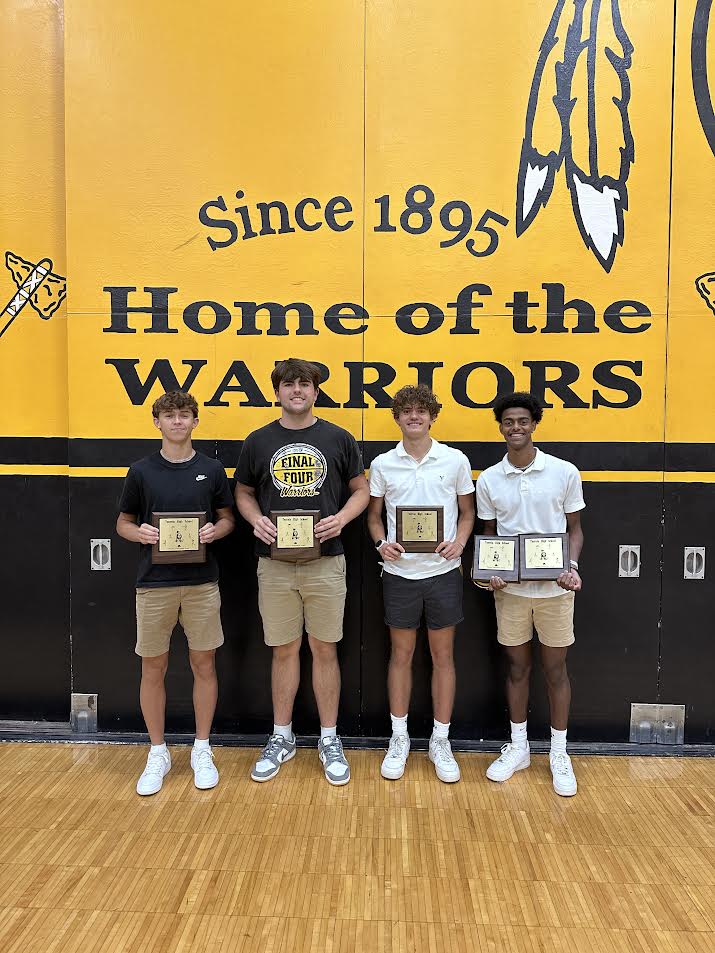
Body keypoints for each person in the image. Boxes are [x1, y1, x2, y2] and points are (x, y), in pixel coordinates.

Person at [234, 358, 369, 785]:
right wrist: (255, 518)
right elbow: (243, 490)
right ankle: (281, 736)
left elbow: (361, 489)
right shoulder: (258, 441)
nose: (297, 390)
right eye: (289, 384)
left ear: (315, 392)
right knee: (283, 650)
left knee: (325, 650)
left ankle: (329, 738)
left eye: (305, 384)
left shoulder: (339, 438)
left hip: (326, 560)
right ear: (277, 392)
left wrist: (343, 519)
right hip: (274, 564)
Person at [116, 390, 235, 796]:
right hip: (154, 584)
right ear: (157, 422)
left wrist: (216, 531)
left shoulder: (212, 469)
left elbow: (227, 520)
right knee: (153, 668)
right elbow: (123, 523)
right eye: (170, 416)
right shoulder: (141, 471)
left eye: (185, 415)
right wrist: (141, 533)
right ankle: (157, 751)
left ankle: (202, 748)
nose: (178, 422)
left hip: (202, 583)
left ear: (195, 422)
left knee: (204, 665)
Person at [475, 392, 584, 796]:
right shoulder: (488, 479)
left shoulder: (563, 472)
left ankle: (559, 752)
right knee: (517, 669)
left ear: (534, 424)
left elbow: (575, 529)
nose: (515, 428)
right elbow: (490, 539)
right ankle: (519, 747)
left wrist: (570, 568)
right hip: (512, 595)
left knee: (556, 671)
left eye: (523, 421)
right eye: (508, 422)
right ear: (500, 426)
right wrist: (492, 575)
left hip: (556, 592)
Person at [367, 385, 475, 782]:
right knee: (401, 655)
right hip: (399, 575)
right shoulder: (382, 463)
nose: (414, 417)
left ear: (432, 416)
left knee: (443, 657)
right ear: (396, 417)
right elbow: (374, 516)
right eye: (406, 411)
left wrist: (460, 542)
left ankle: (440, 741)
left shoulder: (455, 460)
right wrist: (381, 544)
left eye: (421, 411)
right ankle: (400, 738)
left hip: (443, 573)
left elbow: (468, 512)